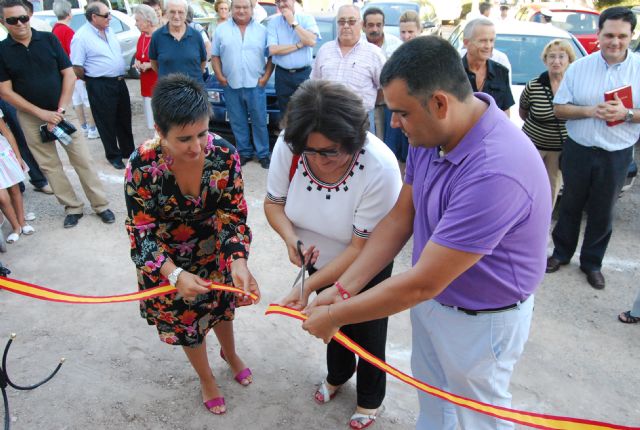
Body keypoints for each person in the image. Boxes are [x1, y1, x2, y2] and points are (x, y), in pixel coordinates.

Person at [301, 36, 551, 430]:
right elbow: (401, 218)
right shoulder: (432, 135)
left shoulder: (496, 170)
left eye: (401, 113)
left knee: (479, 418)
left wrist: (335, 314)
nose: (394, 123)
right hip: (437, 304)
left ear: (439, 102)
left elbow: (421, 283)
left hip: (481, 320)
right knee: (436, 406)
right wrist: (344, 288)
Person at [265, 79, 401, 429]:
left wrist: (309, 289)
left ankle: (371, 399)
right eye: (311, 152)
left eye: (331, 152)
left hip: (366, 260)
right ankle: (337, 375)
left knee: (368, 330)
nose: (320, 160)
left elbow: (361, 247)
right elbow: (273, 204)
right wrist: (292, 242)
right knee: (330, 321)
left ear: (355, 140)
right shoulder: (292, 144)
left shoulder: (380, 167)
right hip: (316, 258)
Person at [124, 74, 260, 416]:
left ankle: (229, 352)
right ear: (159, 129)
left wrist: (238, 261)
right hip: (167, 260)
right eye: (184, 138)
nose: (197, 146)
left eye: (202, 133)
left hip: (215, 251)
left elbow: (233, 214)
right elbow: (141, 233)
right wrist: (172, 275)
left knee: (222, 308)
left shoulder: (225, 156)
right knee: (190, 323)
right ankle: (206, 378)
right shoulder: (141, 166)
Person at [546, 7, 639, 290]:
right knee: (571, 204)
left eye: (622, 36)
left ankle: (592, 264)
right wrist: (590, 110)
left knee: (603, 210)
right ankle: (561, 254)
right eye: (609, 35)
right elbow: (559, 109)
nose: (615, 41)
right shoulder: (578, 68)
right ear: (598, 35)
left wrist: (626, 114)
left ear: (631, 36)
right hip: (580, 149)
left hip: (617, 153)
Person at [0, 0, 115, 229]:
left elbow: (69, 74)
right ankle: (72, 207)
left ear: (29, 15)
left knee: (82, 158)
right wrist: (41, 114)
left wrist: (60, 111)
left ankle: (100, 205)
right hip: (32, 117)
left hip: (63, 112)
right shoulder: (2, 51)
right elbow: (5, 91)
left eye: (23, 18)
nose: (20, 24)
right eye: (12, 20)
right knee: (50, 165)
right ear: (4, 22)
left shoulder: (49, 39)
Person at [71, 1, 135, 170]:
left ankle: (128, 152)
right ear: (93, 17)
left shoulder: (110, 30)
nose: (110, 18)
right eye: (106, 15)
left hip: (119, 82)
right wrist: (93, 80)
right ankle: (113, 155)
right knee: (106, 121)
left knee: (124, 117)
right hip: (100, 83)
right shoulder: (81, 37)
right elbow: (77, 66)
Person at [211, 0, 273, 169]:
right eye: (237, 7)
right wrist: (219, 75)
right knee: (238, 121)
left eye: (245, 7)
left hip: (256, 84)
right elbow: (215, 55)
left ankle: (263, 154)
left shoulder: (262, 31)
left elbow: (272, 55)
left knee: (260, 120)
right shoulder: (221, 30)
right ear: (232, 9)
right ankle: (244, 152)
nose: (241, 10)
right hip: (231, 83)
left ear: (252, 9)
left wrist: (266, 77)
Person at [311, 5, 385, 134]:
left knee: (361, 154)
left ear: (361, 24)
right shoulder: (324, 51)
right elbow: (314, 85)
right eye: (341, 21)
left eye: (351, 21)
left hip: (360, 121)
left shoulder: (374, 53)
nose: (346, 26)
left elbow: (384, 88)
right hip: (327, 120)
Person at [519, 39, 575, 208]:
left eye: (561, 56)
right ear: (545, 60)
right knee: (525, 186)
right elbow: (523, 112)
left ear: (569, 60)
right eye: (551, 57)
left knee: (551, 191)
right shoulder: (534, 85)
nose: (556, 61)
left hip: (559, 150)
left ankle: (542, 225)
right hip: (533, 146)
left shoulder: (575, 86)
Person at [52, 0, 100, 140]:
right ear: (69, 13)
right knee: (87, 100)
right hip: (75, 74)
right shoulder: (68, 31)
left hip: (64, 75)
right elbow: (76, 56)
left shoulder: (54, 30)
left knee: (76, 101)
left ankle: (83, 127)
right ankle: (92, 129)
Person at [267, 0, 319, 114]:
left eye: (284, 0)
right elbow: (273, 49)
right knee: (286, 115)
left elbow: (311, 41)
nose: (281, 4)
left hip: (304, 75)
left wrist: (293, 23)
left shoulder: (307, 19)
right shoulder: (273, 22)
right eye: (278, 2)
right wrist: (299, 44)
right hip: (282, 75)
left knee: (306, 114)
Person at [383, 9, 419, 165]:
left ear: (420, 30)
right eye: (403, 32)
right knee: (394, 156)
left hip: (417, 112)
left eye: (410, 31)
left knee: (414, 156)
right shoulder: (395, 54)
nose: (406, 36)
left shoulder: (427, 53)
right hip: (396, 111)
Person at [363, 7, 401, 140]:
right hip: (369, 107)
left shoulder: (396, 44)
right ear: (363, 26)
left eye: (378, 25)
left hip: (391, 106)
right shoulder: (357, 45)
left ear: (383, 25)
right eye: (370, 25)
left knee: (391, 146)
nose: (374, 29)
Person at [462, 18, 514, 115]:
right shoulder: (452, 73)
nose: (488, 46)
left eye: (491, 40)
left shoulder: (501, 72)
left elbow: (505, 112)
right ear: (466, 43)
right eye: (483, 41)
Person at [149, 0, 207, 83]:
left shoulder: (196, 35)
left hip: (194, 91)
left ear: (186, 14)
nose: (176, 16)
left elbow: (203, 62)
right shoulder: (157, 36)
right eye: (172, 12)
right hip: (168, 92)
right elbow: (154, 64)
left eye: (180, 12)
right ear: (166, 13)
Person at [0, 108, 34, 244]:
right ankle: (15, 227)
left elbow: (7, 132)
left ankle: (22, 223)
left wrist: (18, 157)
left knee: (15, 190)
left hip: (3, 154)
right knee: (2, 198)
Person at [133, 4, 159, 132]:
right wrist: (138, 62)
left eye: (137, 20)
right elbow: (139, 55)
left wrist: (149, 65)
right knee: (151, 123)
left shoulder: (159, 36)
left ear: (148, 21)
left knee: (161, 122)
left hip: (158, 83)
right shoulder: (142, 36)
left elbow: (165, 59)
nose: (135, 24)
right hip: (146, 84)